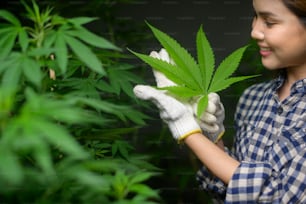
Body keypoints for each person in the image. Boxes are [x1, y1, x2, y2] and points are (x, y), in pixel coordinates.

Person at [133, 0, 306, 203]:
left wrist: (186, 129)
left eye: (269, 22)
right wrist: (211, 136)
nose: (254, 31)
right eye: (255, 16)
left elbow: (277, 197)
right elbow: (225, 191)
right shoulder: (253, 97)